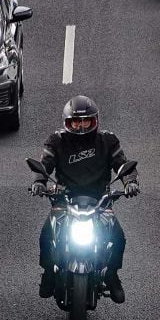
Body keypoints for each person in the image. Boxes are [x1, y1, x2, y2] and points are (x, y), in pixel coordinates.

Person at [30, 95, 139, 302]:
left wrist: (130, 182)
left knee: (118, 237)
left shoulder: (108, 140)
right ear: (67, 122)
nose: (80, 126)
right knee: (46, 235)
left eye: (85, 121)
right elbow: (44, 166)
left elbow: (123, 165)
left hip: (100, 200)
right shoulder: (57, 140)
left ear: (94, 120)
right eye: (76, 121)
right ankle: (48, 273)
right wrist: (39, 183)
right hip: (65, 199)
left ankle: (112, 274)